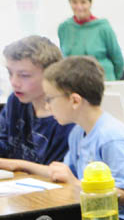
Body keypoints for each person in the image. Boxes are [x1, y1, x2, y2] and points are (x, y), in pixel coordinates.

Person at [14, 57, 124, 220]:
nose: (47, 105)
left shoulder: (112, 138)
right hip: (92, 214)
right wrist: (18, 165)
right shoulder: (78, 133)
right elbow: (62, 173)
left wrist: (75, 183)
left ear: (75, 101)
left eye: (51, 99)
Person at [0, 36, 74, 171]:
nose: (14, 82)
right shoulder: (15, 101)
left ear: (50, 74)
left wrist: (13, 165)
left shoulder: (66, 118)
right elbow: (4, 144)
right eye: (10, 73)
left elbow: (56, 173)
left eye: (24, 75)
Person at [57, 0, 124, 81]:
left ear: (90, 3)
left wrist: (114, 82)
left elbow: (118, 60)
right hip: (74, 82)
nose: (79, 7)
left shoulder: (103, 27)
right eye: (74, 2)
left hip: (103, 81)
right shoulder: (64, 28)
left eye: (83, 2)